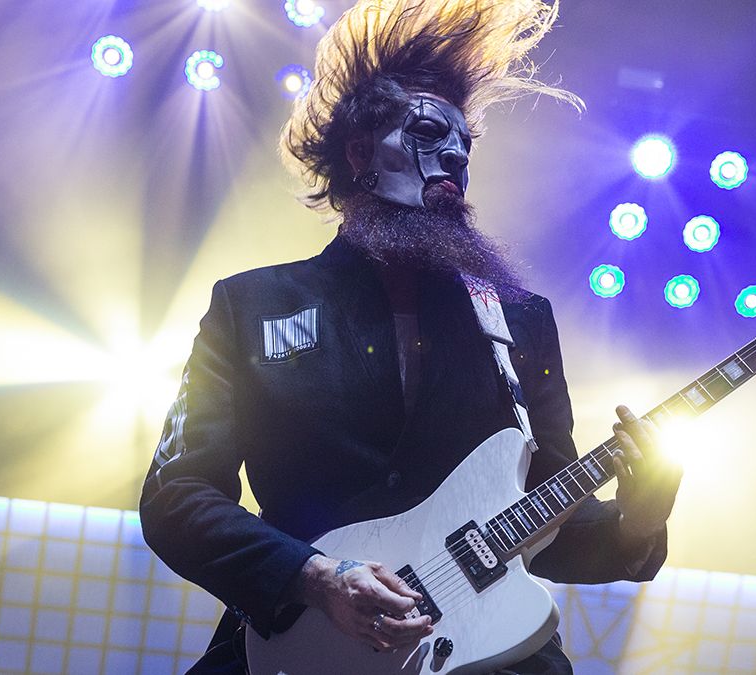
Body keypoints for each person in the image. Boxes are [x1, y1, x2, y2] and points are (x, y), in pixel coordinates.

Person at [139, 1, 684, 672]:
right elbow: (177, 495)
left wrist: (638, 521)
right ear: (360, 151)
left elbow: (550, 522)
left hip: (481, 654)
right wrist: (314, 576)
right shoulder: (251, 304)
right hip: (299, 648)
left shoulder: (519, 319)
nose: (455, 153)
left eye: (465, 142)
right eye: (429, 129)